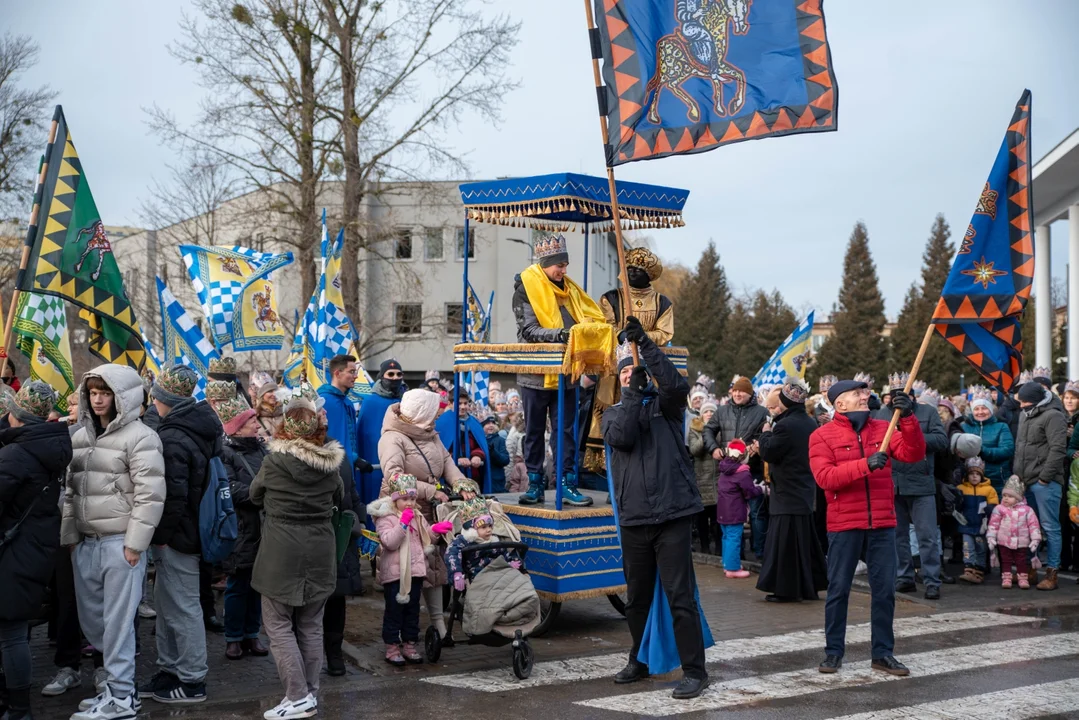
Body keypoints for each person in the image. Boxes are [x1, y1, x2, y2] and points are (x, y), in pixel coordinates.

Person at [603, 321, 708, 700]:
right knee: (637, 599)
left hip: (673, 514)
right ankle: (640, 657)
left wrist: (644, 344)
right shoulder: (613, 414)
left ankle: (695, 670)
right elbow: (624, 438)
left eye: (636, 372)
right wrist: (631, 395)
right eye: (625, 372)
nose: (632, 376)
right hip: (634, 518)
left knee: (680, 596)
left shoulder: (666, 406)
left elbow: (677, 385)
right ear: (620, 380)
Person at [61, 366, 165, 720]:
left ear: (123, 396)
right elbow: (70, 493)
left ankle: (122, 699)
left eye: (105, 392)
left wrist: (134, 545)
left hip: (120, 543)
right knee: (96, 624)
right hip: (86, 543)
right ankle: (116, 689)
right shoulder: (78, 437)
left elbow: (150, 495)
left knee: (119, 624)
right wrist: (71, 540)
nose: (98, 399)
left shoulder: (141, 436)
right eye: (92, 392)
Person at [810, 378, 925, 677]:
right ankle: (833, 652)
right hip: (844, 524)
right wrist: (865, 465)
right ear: (839, 403)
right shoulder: (821, 436)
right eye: (857, 393)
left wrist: (909, 419)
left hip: (882, 523)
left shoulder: (884, 428)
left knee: (884, 592)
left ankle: (883, 654)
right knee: (838, 590)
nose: (865, 396)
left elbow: (914, 454)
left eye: (864, 392)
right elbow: (825, 478)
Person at [249, 396, 344, 720]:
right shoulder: (330, 465)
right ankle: (309, 694)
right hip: (319, 548)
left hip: (281, 551)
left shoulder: (273, 463)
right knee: (311, 625)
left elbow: (254, 494)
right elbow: (339, 498)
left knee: (278, 624)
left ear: (285, 428)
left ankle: (297, 695)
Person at [140, 364, 222, 705]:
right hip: (188, 532)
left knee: (183, 607)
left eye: (156, 397)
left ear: (165, 398)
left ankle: (191, 681)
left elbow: (173, 496)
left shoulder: (174, 436)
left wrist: (159, 535)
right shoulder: (193, 427)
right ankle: (170, 671)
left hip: (178, 536)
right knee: (168, 604)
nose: (153, 403)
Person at [512, 233, 605, 507]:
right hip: (535, 373)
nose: (564, 270)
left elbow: (587, 318)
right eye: (559, 265)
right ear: (545, 264)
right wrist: (562, 334)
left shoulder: (571, 290)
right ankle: (535, 483)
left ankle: (566, 483)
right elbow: (528, 330)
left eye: (565, 264)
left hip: (568, 373)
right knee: (534, 430)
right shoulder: (525, 288)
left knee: (566, 431)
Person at [0, 383, 72, 720]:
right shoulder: (48, 447)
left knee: (12, 634)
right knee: (14, 631)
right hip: (33, 547)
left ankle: (19, 709)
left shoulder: (16, 454)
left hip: (14, 552)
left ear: (15, 415)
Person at [582, 247, 675, 476]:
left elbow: (665, 333)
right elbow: (602, 325)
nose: (632, 272)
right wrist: (620, 334)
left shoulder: (662, 303)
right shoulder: (611, 298)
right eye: (629, 268)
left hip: (645, 368)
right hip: (613, 369)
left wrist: (642, 335)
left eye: (638, 269)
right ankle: (604, 471)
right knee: (607, 414)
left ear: (649, 274)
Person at [378, 389, 458, 640]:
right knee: (406, 570)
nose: (438, 415)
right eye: (433, 411)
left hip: (430, 507)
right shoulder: (392, 438)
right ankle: (398, 630)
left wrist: (463, 485)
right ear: (421, 412)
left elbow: (447, 463)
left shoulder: (430, 433)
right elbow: (394, 477)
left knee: (433, 565)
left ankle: (437, 622)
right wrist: (429, 490)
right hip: (404, 508)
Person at [317, 355, 371, 675]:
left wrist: (359, 520)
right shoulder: (330, 401)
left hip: (339, 531)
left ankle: (334, 656)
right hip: (314, 535)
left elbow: (350, 493)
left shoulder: (346, 402)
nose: (355, 376)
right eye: (351, 372)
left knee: (336, 599)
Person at [875, 372, 948, 600]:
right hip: (892, 483)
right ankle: (904, 577)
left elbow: (941, 441)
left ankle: (931, 580)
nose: (897, 399)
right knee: (898, 536)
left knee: (926, 536)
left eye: (903, 395)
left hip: (921, 482)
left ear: (912, 396)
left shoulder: (928, 412)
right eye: (894, 395)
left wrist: (912, 437)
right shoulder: (880, 415)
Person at [755, 381, 828, 603]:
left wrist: (765, 434)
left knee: (786, 543)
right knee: (804, 543)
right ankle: (810, 586)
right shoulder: (808, 422)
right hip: (803, 489)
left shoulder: (785, 426)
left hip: (787, 491)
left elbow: (769, 452)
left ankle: (786, 589)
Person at [369, 473, 451, 666]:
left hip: (415, 571)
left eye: (413, 498)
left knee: (412, 611)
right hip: (395, 575)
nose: (410, 503)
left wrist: (435, 530)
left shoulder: (417, 515)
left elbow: (425, 537)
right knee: (394, 612)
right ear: (395, 499)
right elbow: (389, 542)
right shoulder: (386, 518)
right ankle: (392, 647)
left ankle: (409, 644)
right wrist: (403, 524)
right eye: (405, 498)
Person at [216, 398, 270, 662]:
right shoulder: (224, 453)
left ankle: (252, 633)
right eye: (251, 421)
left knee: (258, 585)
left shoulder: (263, 450)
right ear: (236, 428)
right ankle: (233, 637)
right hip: (241, 528)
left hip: (264, 528)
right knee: (238, 586)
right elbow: (231, 490)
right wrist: (263, 494)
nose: (256, 425)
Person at [703, 374, 769, 558]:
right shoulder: (722, 411)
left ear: (750, 393)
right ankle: (735, 555)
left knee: (756, 513)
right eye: (736, 390)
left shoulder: (762, 412)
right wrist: (713, 448)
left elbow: (766, 435)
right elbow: (708, 429)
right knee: (733, 515)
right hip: (729, 472)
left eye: (742, 391)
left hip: (752, 470)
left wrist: (757, 445)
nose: (738, 394)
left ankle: (759, 552)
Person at [1012, 380, 1067, 590]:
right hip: (1025, 481)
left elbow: (1057, 449)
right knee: (1027, 528)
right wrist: (1018, 476)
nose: (1020, 406)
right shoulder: (1026, 414)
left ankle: (1052, 573)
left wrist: (1045, 477)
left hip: (1045, 482)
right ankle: (1029, 570)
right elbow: (1021, 447)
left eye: (1024, 402)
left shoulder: (1054, 416)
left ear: (1035, 401)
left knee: (1050, 527)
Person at [355, 359, 407, 507]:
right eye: (390, 374)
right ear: (382, 376)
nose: (395, 378)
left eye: (399, 374)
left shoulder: (405, 400)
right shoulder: (370, 401)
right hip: (375, 458)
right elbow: (364, 434)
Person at [445, 499, 523, 591]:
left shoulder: (494, 540)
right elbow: (451, 553)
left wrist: (510, 562)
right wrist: (456, 572)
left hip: (500, 573)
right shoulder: (463, 541)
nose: (489, 530)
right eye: (483, 527)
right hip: (478, 577)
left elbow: (504, 554)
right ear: (472, 530)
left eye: (490, 526)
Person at [715, 439, 761, 579]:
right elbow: (749, 492)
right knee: (734, 539)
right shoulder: (743, 472)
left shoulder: (724, 469)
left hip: (722, 511)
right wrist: (761, 489)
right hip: (735, 511)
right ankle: (733, 568)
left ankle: (727, 564)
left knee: (726, 537)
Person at [988, 476, 1042, 589]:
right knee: (1006, 560)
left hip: (1021, 541)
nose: (1006, 498)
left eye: (1010, 496)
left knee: (1021, 560)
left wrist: (1035, 539)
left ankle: (1023, 578)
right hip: (1004, 540)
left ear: (1018, 498)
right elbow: (993, 524)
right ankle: (1006, 577)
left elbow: (1033, 525)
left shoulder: (1027, 510)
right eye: (1004, 496)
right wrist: (991, 537)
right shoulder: (999, 509)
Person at [960, 388, 1015, 498]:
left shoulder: (1001, 426)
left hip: (997, 480)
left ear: (990, 409)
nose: (980, 412)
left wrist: (981, 450)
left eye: (984, 408)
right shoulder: (963, 427)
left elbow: (1007, 450)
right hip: (969, 481)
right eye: (976, 409)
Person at [955, 457, 999, 585]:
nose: (974, 477)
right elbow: (956, 505)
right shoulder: (961, 488)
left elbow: (994, 505)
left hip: (981, 526)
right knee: (967, 547)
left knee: (981, 548)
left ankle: (979, 570)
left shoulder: (989, 490)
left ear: (982, 476)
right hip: (966, 525)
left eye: (977, 474)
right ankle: (969, 569)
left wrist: (989, 509)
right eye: (971, 474)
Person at [688, 397, 719, 554]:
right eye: (705, 411)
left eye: (711, 411)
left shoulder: (720, 428)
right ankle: (705, 548)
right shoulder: (694, 429)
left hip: (717, 480)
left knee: (717, 519)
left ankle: (719, 550)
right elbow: (694, 450)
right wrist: (706, 432)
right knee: (702, 520)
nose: (708, 413)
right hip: (701, 480)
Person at [480, 415, 509, 493]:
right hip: (481, 478)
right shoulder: (479, 440)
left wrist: (493, 452)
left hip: (496, 480)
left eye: (493, 423)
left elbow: (505, 460)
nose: (491, 425)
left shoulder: (500, 440)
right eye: (487, 423)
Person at [505, 412, 528, 493]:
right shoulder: (515, 434)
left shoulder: (545, 430)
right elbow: (510, 455)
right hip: (520, 467)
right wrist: (508, 479)